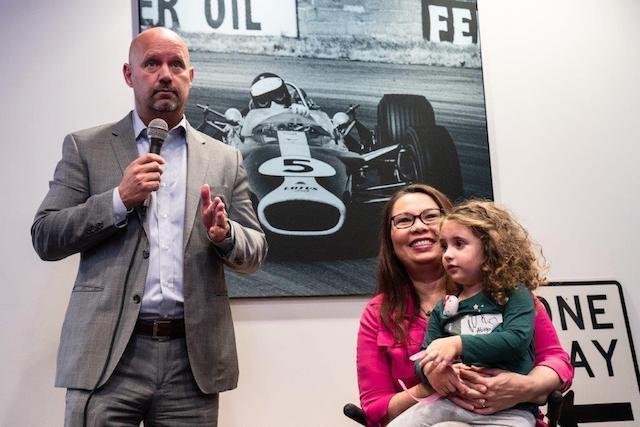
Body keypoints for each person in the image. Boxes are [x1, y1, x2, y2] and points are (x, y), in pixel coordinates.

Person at [31, 27, 267, 426]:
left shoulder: (225, 158)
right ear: (129, 74)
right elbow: (46, 235)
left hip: (191, 363)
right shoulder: (86, 147)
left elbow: (256, 250)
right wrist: (118, 199)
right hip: (107, 357)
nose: (165, 74)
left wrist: (226, 237)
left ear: (190, 76)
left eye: (176, 64)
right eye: (152, 63)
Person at [356, 185, 573, 427]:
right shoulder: (380, 312)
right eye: (404, 220)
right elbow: (375, 410)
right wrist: (431, 382)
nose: (418, 226)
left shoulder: (506, 291)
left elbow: (557, 363)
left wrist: (525, 387)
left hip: (511, 414)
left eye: (430, 216)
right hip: (441, 413)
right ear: (390, 241)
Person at [389, 200, 547, 427]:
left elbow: (516, 340)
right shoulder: (443, 308)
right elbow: (424, 355)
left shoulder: (515, 293)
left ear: (490, 248)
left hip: (511, 411)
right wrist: (433, 371)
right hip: (451, 403)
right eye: (444, 246)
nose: (447, 255)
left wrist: (457, 344)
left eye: (459, 244)